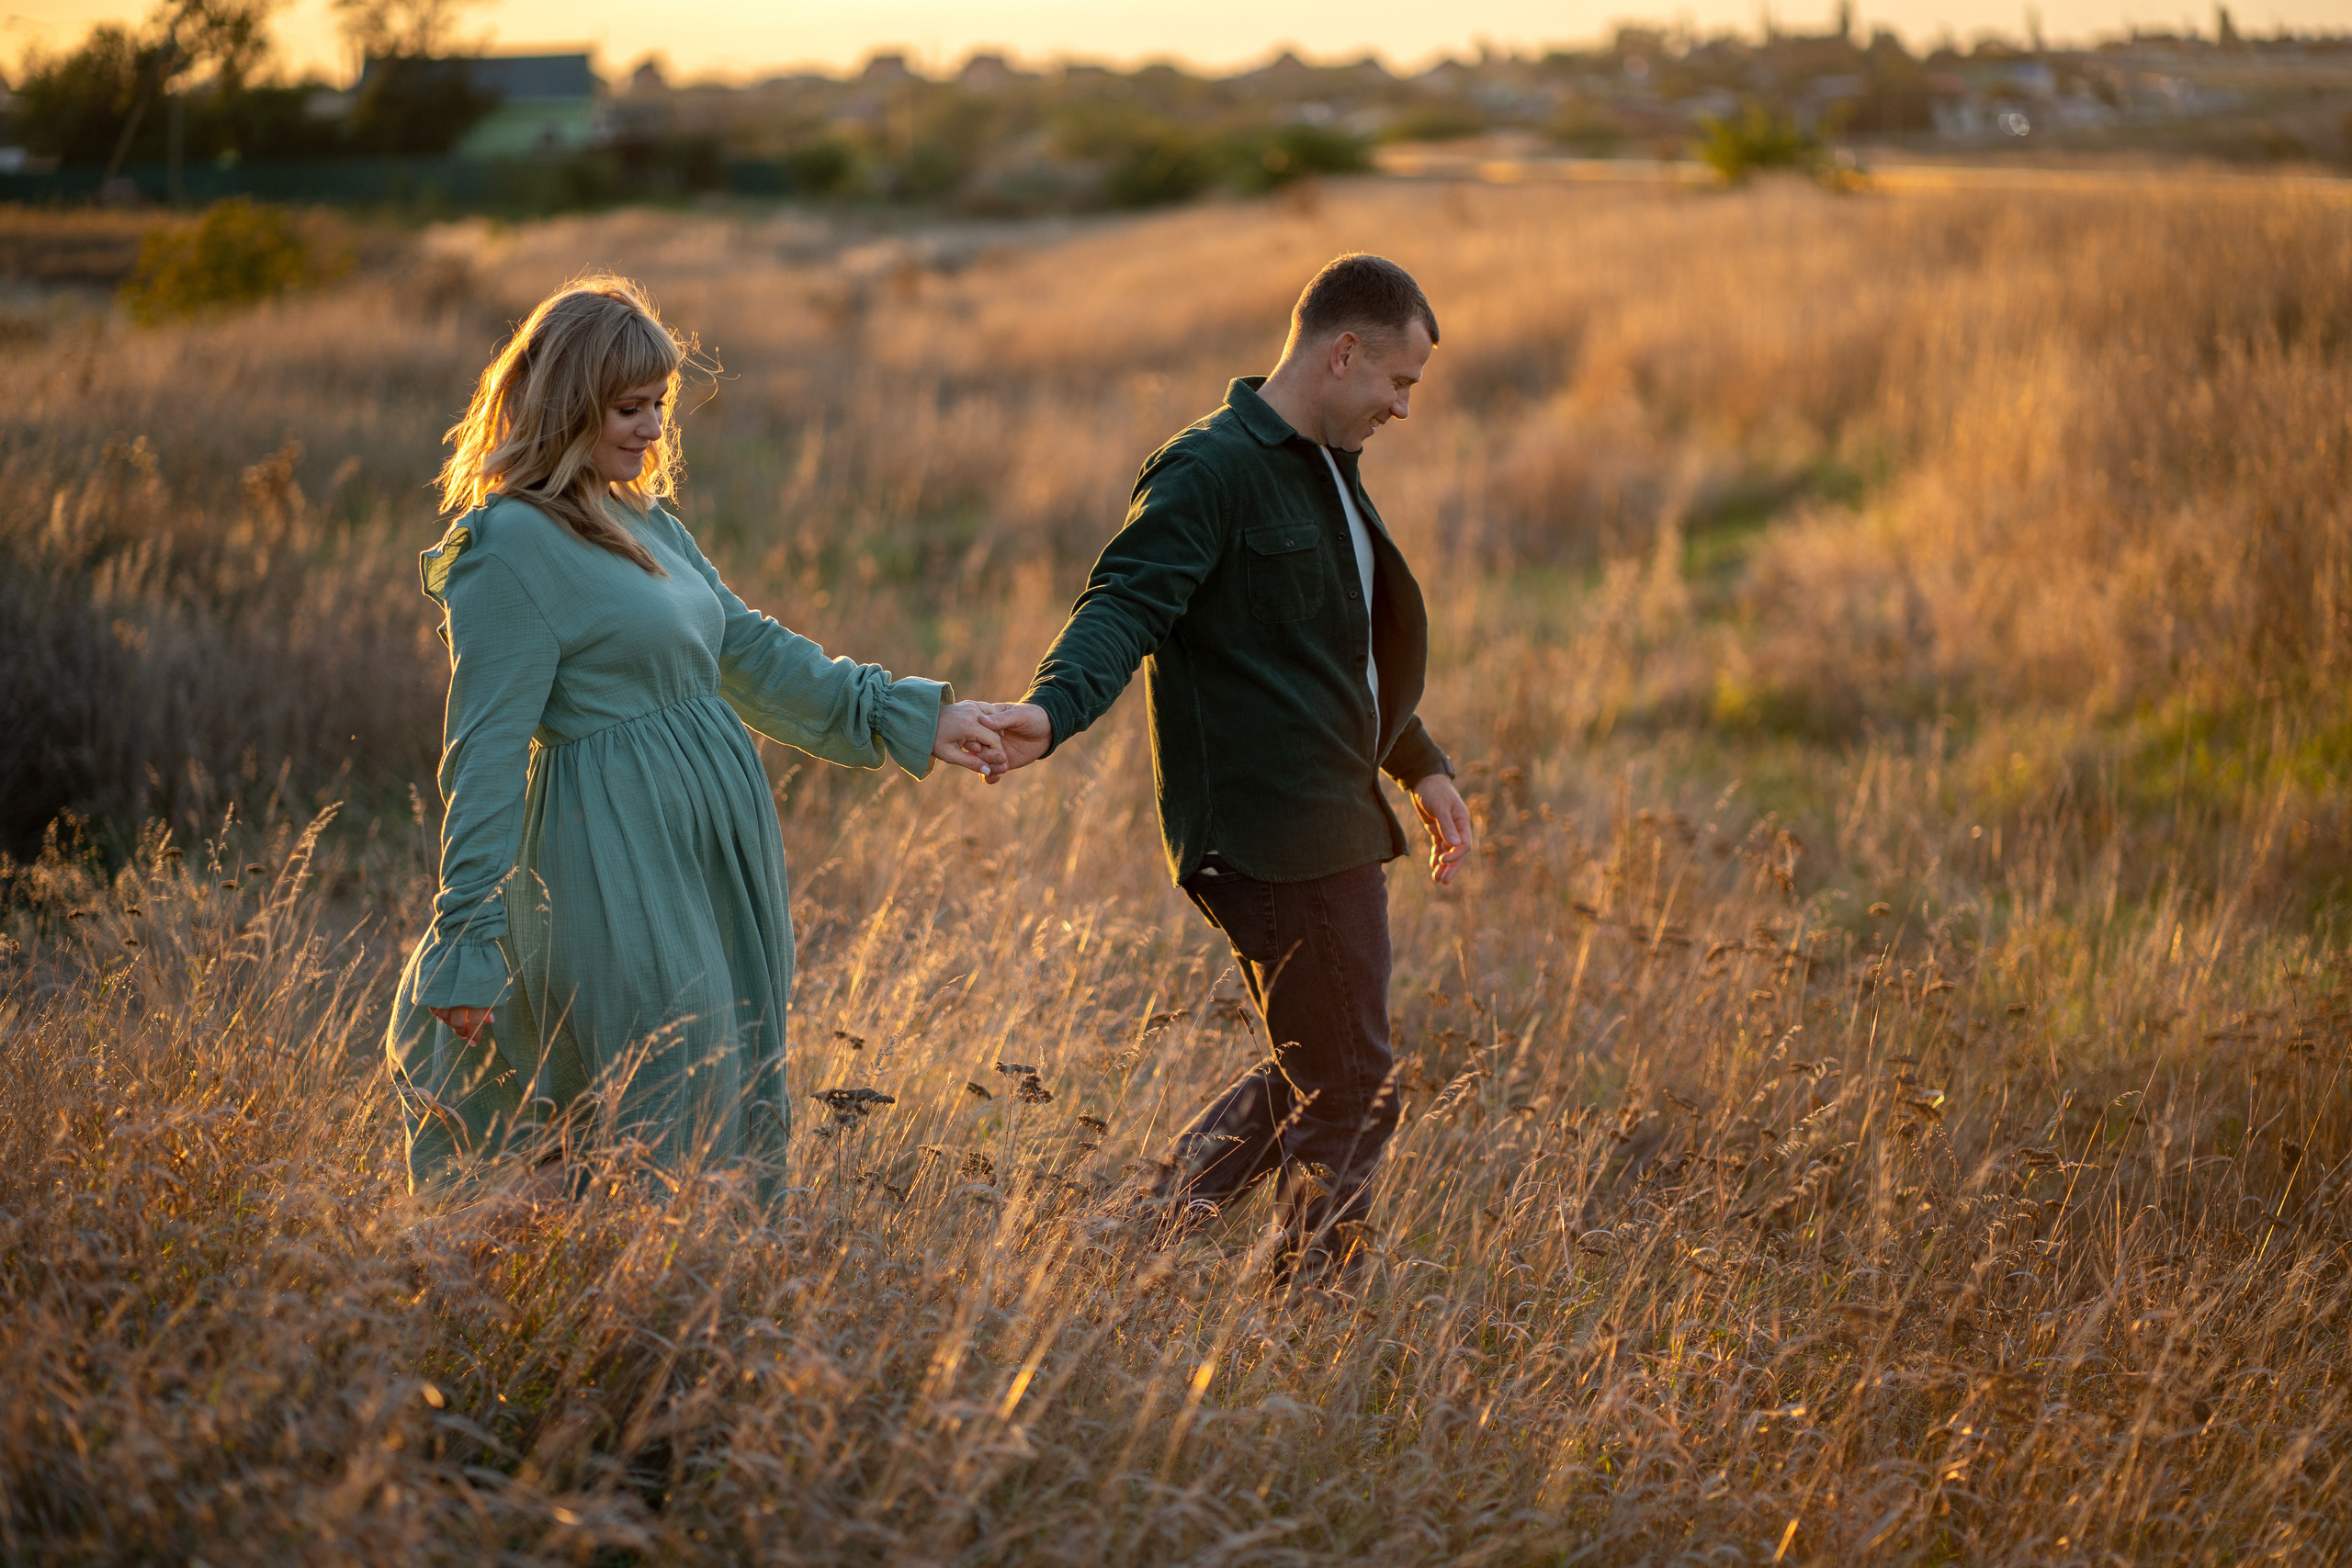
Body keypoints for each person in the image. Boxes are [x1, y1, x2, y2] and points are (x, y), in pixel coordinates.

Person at [385, 275, 1005, 1195]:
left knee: (722, 1083)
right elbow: (484, 754)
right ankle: (616, 1275)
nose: (650, 428)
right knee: (661, 1099)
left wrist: (909, 715)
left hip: (703, 858)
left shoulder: (643, 520)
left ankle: (701, 1273)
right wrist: (468, 938)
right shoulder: (506, 548)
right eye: (627, 407)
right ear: (569, 404)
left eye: (658, 406)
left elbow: (747, 650)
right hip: (609, 860)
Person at [979, 253, 1476, 1291]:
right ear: (1342, 353)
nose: (1402, 407)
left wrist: (1417, 763)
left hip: (1330, 815)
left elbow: (1330, 651)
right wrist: (1052, 708)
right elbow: (1124, 601)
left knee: (1322, 1065)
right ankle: (1311, 1309)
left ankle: (1126, 1239)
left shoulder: (1325, 461)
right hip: (1273, 831)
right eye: (1398, 382)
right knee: (1353, 1085)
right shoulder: (1209, 468)